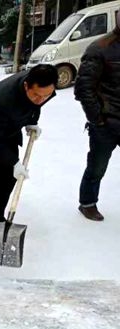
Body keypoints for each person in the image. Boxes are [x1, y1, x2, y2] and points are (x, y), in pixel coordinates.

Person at [0, 64, 58, 242]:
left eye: (46, 95)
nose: (41, 99)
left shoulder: (41, 87)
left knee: (10, 177)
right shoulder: (2, 101)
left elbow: (35, 105)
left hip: (9, 127)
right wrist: (13, 162)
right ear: (26, 85)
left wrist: (32, 121)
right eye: (36, 95)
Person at [74, 11, 120, 221]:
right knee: (97, 165)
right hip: (106, 122)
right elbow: (83, 88)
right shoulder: (100, 48)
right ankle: (88, 203)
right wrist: (98, 119)